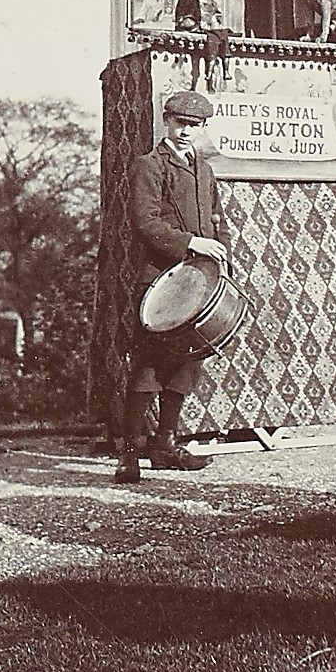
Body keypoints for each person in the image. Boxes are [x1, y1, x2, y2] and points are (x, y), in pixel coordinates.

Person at [115, 91, 229, 482]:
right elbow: (145, 224)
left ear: (202, 128)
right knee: (149, 366)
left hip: (197, 282)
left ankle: (164, 445)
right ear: (166, 121)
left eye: (194, 125)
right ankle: (129, 454)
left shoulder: (205, 170)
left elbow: (216, 220)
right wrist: (190, 243)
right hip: (159, 281)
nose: (186, 132)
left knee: (186, 363)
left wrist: (219, 254)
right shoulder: (148, 166)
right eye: (180, 123)